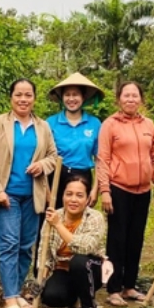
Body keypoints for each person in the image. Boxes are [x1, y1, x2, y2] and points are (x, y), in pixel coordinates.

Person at [0, 78, 60, 308]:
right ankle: (10, 297)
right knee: (9, 244)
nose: (23, 99)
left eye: (28, 95)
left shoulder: (43, 126)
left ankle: (17, 288)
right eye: (18, 95)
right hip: (7, 194)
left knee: (26, 247)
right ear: (10, 98)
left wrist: (41, 165)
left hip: (32, 196)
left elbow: (54, 156)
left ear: (34, 98)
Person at [96, 81, 154, 307]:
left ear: (141, 100)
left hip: (142, 190)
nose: (131, 99)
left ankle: (129, 286)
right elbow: (103, 160)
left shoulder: (149, 125)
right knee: (117, 240)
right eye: (126, 96)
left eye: (135, 96)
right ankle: (113, 289)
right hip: (119, 188)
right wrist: (105, 191)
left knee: (136, 239)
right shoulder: (110, 125)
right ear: (119, 99)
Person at [37, 174, 112, 308]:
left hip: (90, 267)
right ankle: (73, 301)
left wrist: (58, 225)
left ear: (87, 199)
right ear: (63, 196)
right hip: (63, 269)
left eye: (79, 195)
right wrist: (41, 279)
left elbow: (86, 248)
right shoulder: (53, 216)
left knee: (78, 261)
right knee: (50, 296)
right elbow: (44, 252)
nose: (73, 200)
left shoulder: (95, 217)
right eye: (69, 194)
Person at [45, 73, 104, 207]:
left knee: (79, 222)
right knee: (53, 220)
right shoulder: (50, 123)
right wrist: (46, 190)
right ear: (61, 98)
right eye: (67, 95)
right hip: (56, 177)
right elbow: (42, 156)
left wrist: (95, 190)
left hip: (83, 178)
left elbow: (100, 159)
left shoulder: (94, 123)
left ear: (83, 97)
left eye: (75, 94)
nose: (71, 99)